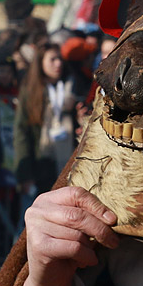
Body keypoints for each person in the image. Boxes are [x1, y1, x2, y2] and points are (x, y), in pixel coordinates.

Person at [14, 44, 85, 206]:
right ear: (40, 63)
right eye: (52, 59)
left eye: (59, 59)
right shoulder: (31, 90)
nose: (58, 64)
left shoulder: (73, 85)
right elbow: (21, 132)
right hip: (40, 163)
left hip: (68, 163)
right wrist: (25, 175)